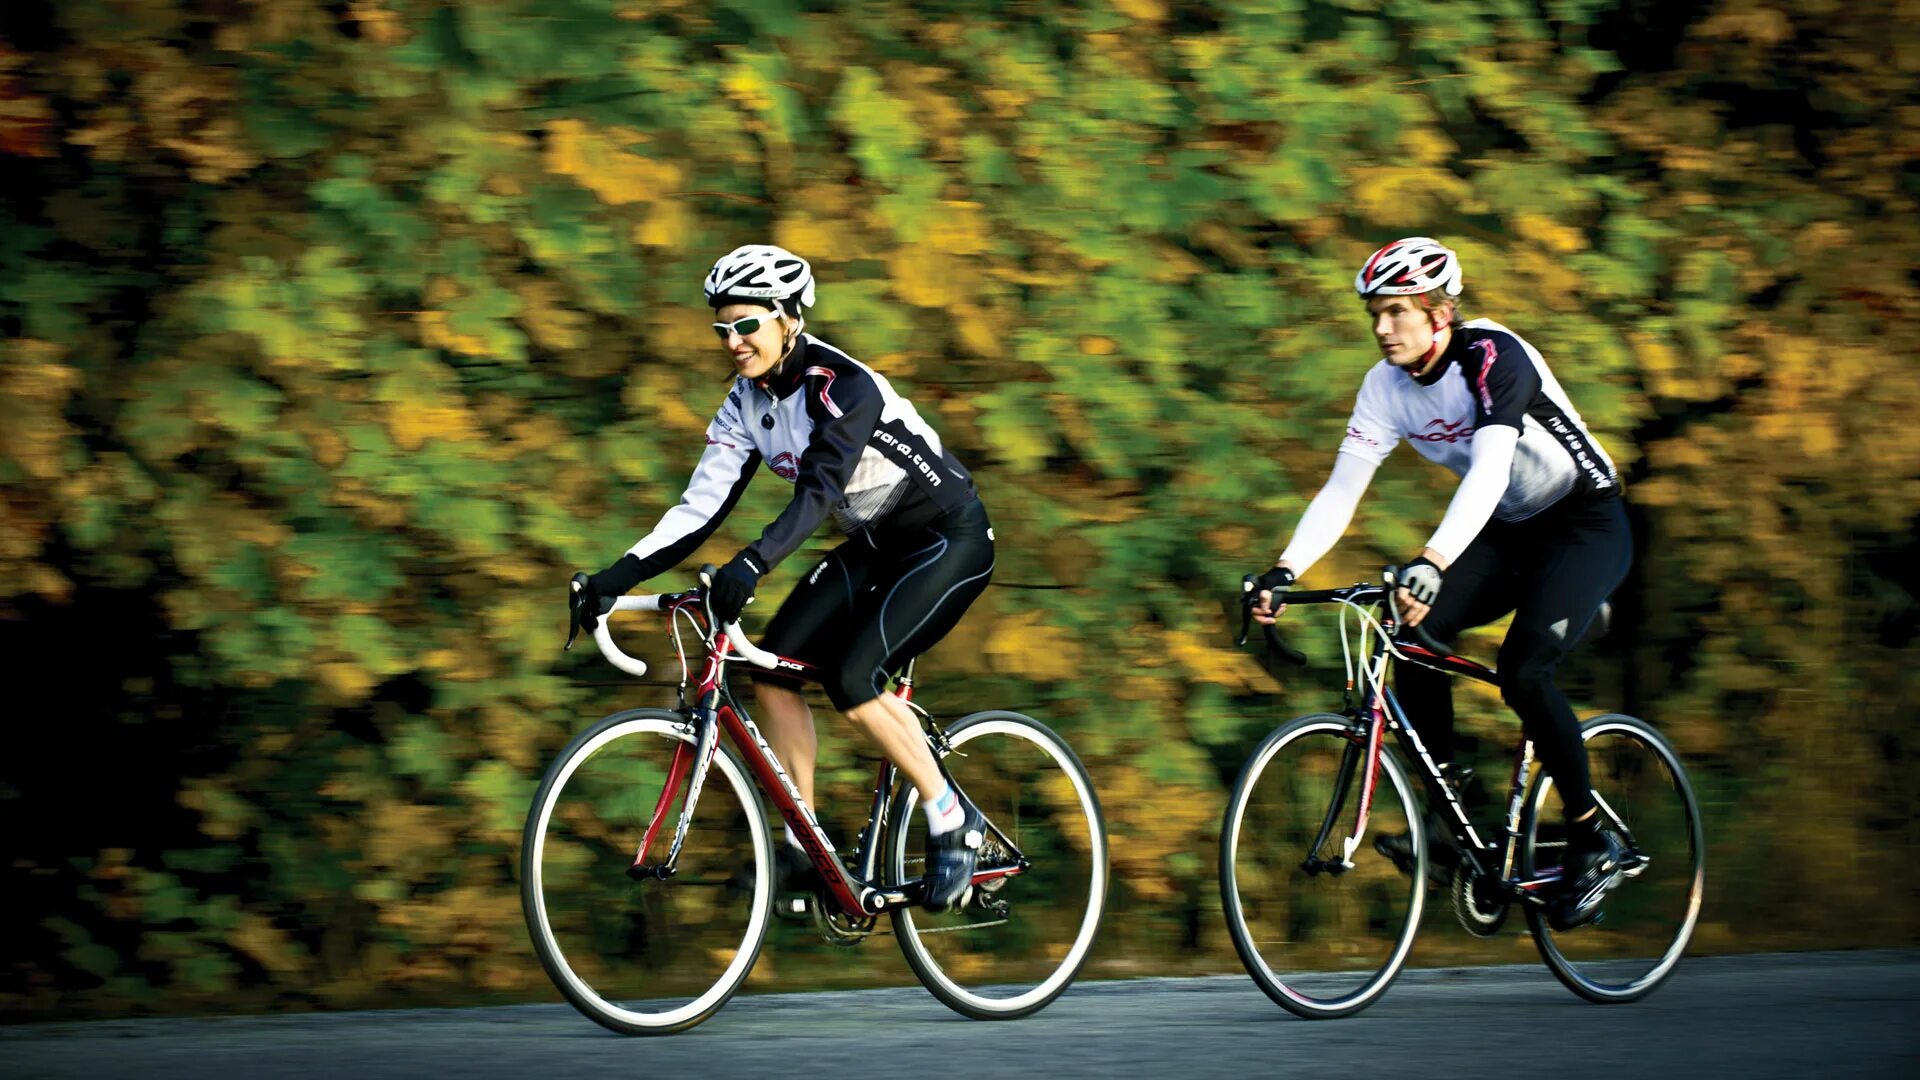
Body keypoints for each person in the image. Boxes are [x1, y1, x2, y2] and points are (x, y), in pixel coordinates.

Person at [575, 244, 995, 911]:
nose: (733, 342)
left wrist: (754, 562)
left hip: (947, 536)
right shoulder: (744, 404)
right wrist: (614, 576)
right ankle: (804, 848)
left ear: (788, 319)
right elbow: (698, 509)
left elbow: (819, 493)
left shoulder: (843, 386)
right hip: (876, 540)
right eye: (723, 330)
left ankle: (952, 816)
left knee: (852, 679)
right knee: (772, 672)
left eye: (748, 326)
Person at [1248, 237, 1632, 930]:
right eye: (1375, 313)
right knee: (1412, 633)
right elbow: (1342, 491)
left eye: (1396, 312)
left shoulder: (1493, 358)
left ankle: (1590, 837)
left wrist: (1433, 556)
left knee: (1523, 672)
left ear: (1439, 312)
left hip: (1583, 523)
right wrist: (1285, 569)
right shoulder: (1383, 387)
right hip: (1510, 529)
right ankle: (1453, 813)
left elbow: (1489, 470)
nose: (1381, 327)